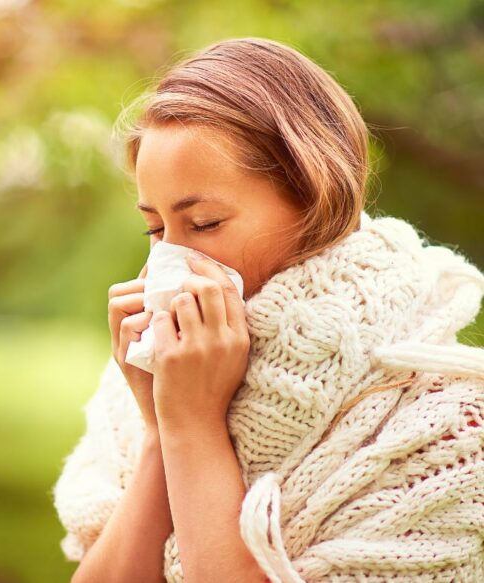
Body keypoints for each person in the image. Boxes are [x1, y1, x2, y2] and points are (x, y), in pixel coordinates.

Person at [52, 37, 484, 582]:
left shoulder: (448, 428)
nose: (170, 259)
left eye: (204, 223)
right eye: (156, 229)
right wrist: (163, 430)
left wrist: (195, 426)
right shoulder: (141, 387)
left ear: (315, 198)